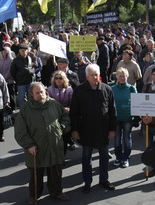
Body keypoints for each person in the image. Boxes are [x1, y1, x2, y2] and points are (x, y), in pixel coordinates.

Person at [14, 82, 71, 205]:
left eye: (42, 92)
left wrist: (62, 128)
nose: (41, 95)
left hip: (54, 146)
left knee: (55, 171)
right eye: (37, 93)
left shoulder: (54, 104)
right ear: (31, 94)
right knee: (36, 175)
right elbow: (20, 132)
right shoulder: (25, 109)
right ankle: (34, 196)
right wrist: (29, 145)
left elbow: (65, 117)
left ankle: (57, 192)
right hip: (36, 148)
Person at [70, 64, 117, 193]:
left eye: (96, 74)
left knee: (103, 157)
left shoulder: (107, 89)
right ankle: (87, 181)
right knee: (86, 158)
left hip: (103, 131)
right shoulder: (79, 91)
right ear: (87, 77)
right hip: (86, 131)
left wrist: (112, 129)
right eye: (92, 75)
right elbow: (73, 112)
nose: (95, 77)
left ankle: (104, 180)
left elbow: (113, 111)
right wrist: (74, 130)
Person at [111, 67, 137, 168]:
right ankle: (118, 157)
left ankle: (126, 158)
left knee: (126, 138)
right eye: (120, 76)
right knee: (117, 139)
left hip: (128, 118)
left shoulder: (131, 88)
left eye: (124, 76)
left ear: (127, 77)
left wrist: (136, 117)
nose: (122, 78)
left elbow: (137, 103)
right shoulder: (112, 89)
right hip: (116, 118)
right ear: (117, 77)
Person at [47, 71, 75, 154]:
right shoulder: (50, 89)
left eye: (60, 78)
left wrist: (69, 108)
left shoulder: (69, 89)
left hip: (66, 115)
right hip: (54, 115)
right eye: (56, 78)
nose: (58, 80)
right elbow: (48, 103)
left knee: (65, 135)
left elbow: (72, 103)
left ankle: (63, 155)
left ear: (64, 79)